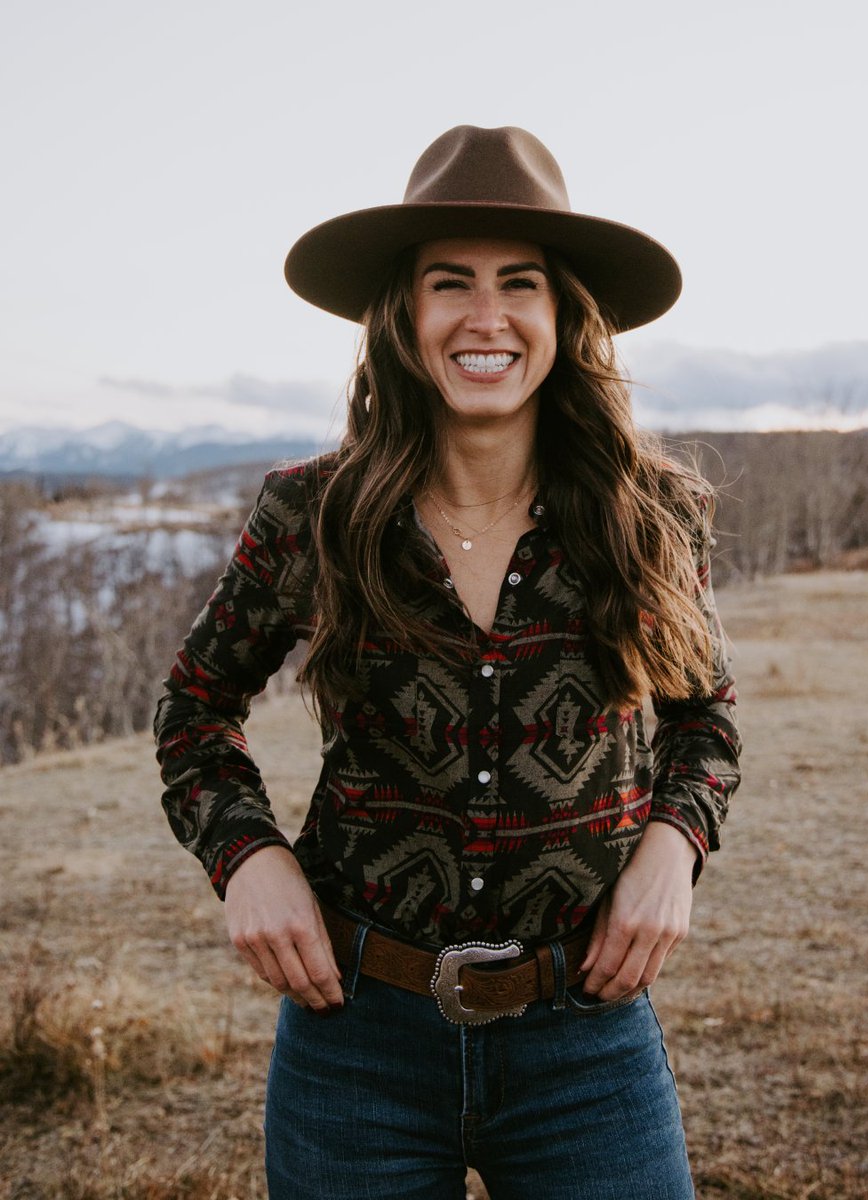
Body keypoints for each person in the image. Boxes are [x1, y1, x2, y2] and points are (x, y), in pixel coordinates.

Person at [156, 125, 741, 1200]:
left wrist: (673, 844)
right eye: (449, 284)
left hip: (587, 1037)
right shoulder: (312, 514)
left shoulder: (653, 515)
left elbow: (707, 721)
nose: (486, 317)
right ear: (402, 318)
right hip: (357, 1039)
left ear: (564, 317)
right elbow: (192, 715)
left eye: (520, 283)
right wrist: (248, 858)